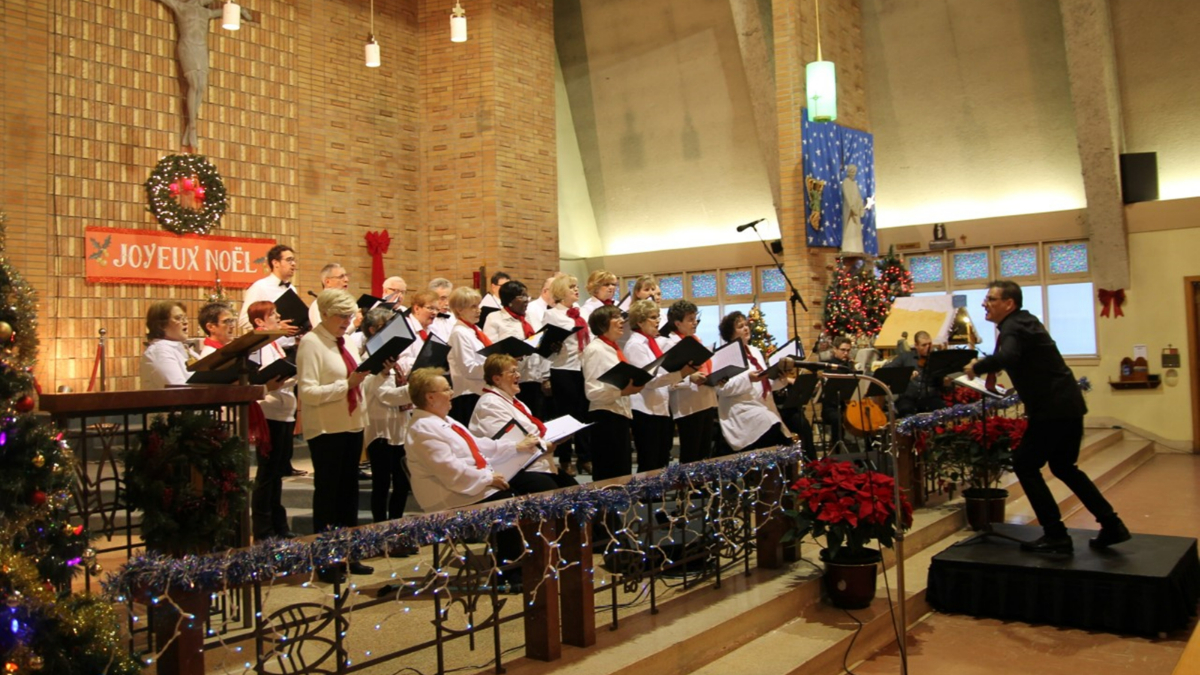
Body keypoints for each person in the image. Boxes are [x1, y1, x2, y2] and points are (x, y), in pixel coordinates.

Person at [965, 280, 1130, 554]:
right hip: (1067, 406)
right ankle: (1112, 524)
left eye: (991, 299)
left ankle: (1055, 534)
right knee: (1064, 467)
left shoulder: (1013, 326)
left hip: (1052, 410)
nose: (985, 303)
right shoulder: (1025, 322)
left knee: (1026, 465)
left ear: (1009, 303)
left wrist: (977, 367)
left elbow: (1009, 356)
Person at [405, 367, 542, 592]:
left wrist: (513, 446)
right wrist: (487, 478)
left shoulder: (443, 419)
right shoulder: (422, 428)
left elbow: (477, 444)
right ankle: (509, 573)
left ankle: (520, 564)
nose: (451, 393)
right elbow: (449, 470)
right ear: (430, 397)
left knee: (518, 493)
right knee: (509, 504)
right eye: (446, 389)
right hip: (447, 494)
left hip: (468, 483)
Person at [296, 289, 375, 583]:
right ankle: (327, 561)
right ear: (325, 314)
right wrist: (347, 384)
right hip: (327, 428)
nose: (347, 321)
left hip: (352, 423)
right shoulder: (311, 343)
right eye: (341, 316)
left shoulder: (344, 343)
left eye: (350, 315)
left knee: (348, 494)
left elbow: (355, 380)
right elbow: (308, 393)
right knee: (329, 496)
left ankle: (349, 554)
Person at [154, 0, 254, 149]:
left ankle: (191, 126)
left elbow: (223, 11)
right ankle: (192, 125)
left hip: (201, 48)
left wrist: (241, 10)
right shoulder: (181, 7)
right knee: (194, 83)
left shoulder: (206, 12)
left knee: (202, 85)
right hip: (188, 45)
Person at [470, 354, 573, 490]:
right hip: (510, 469)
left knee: (573, 487)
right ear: (497, 378)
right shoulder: (490, 403)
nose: (518, 375)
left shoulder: (515, 402)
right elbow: (510, 442)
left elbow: (531, 433)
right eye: (512, 372)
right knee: (551, 490)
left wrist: (556, 437)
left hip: (532, 463)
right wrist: (545, 445)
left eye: (517, 371)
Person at [358, 308, 414, 528]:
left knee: (401, 483)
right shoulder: (368, 358)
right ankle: (380, 530)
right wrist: (416, 390)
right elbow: (386, 396)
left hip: (399, 427)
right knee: (381, 483)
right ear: (373, 330)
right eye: (386, 326)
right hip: (380, 429)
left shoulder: (393, 360)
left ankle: (397, 527)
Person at [246, 300, 297, 539]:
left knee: (277, 473)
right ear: (259, 321)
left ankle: (279, 525)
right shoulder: (256, 345)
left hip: (284, 412)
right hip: (269, 413)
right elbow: (254, 379)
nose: (278, 317)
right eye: (273, 314)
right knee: (267, 474)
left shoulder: (273, 342)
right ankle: (263, 529)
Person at [625, 300, 692, 472]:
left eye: (658, 317)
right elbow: (649, 380)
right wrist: (680, 374)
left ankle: (657, 495)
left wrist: (680, 379)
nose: (657, 322)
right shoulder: (635, 345)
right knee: (649, 459)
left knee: (662, 456)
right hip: (645, 409)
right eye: (653, 318)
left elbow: (661, 374)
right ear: (640, 321)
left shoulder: (651, 343)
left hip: (660, 406)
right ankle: (647, 497)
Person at [714, 311, 793, 452]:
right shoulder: (725, 355)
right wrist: (748, 378)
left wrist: (781, 378)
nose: (746, 328)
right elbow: (722, 389)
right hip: (740, 410)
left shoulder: (755, 352)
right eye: (740, 326)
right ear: (730, 333)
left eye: (746, 325)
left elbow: (764, 384)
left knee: (782, 437)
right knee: (771, 425)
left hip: (760, 406)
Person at [582, 305, 646, 480]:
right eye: (615, 317)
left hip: (618, 413)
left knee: (622, 470)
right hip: (605, 416)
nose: (621, 321)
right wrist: (623, 392)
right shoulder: (596, 349)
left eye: (621, 317)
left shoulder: (612, 347)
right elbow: (592, 392)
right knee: (609, 472)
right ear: (602, 324)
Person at [544, 274, 591, 475]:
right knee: (566, 414)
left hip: (582, 368)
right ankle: (565, 459)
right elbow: (547, 345)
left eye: (576, 286)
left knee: (583, 412)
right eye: (571, 287)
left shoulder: (581, 314)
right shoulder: (553, 314)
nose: (576, 290)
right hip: (563, 368)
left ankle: (584, 457)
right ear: (561, 291)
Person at [483, 280, 548, 419]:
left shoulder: (530, 317)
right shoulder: (495, 318)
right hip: (511, 379)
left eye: (527, 297)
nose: (526, 301)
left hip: (533, 377)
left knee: (537, 418)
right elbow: (492, 350)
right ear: (510, 300)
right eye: (522, 297)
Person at [662, 301, 717, 464]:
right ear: (677, 323)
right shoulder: (669, 344)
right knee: (691, 453)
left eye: (696, 319)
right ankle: (688, 487)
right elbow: (666, 377)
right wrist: (689, 378)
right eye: (690, 319)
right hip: (688, 404)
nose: (695, 323)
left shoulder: (696, 339)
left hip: (705, 399)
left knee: (704, 452)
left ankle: (701, 485)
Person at [446, 286, 490, 424]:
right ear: (460, 310)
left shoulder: (474, 329)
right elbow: (468, 368)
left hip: (480, 391)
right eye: (473, 307)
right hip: (468, 394)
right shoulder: (459, 333)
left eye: (479, 306)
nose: (479, 310)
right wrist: (494, 366)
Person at [239, 244, 300, 335]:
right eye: (289, 260)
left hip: (291, 345)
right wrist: (274, 327)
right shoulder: (260, 286)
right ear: (275, 263)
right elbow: (243, 320)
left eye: (293, 260)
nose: (293, 264)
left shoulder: (292, 288)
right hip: (270, 345)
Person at [882, 330, 945, 417]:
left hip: (930, 399)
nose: (928, 347)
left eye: (930, 344)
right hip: (908, 399)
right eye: (924, 345)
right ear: (916, 345)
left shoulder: (936, 359)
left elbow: (941, 384)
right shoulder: (906, 357)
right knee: (905, 411)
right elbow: (886, 370)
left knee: (943, 413)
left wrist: (946, 381)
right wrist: (905, 374)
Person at [140, 301, 197, 389]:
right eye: (178, 318)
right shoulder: (160, 351)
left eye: (185, 318)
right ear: (161, 325)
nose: (185, 322)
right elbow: (178, 390)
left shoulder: (184, 348)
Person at [820, 335, 856, 449]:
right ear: (835, 349)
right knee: (837, 418)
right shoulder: (829, 367)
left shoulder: (849, 366)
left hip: (848, 406)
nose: (846, 353)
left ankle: (865, 452)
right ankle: (836, 448)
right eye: (843, 350)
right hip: (831, 408)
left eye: (848, 350)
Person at [308, 263, 354, 332]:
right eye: (341, 277)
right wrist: (354, 325)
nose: (346, 280)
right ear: (328, 282)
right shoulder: (319, 305)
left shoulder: (344, 303)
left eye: (346, 276)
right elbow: (323, 333)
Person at [841, 164, 865, 254]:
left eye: (854, 172)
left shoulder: (854, 184)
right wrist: (852, 208)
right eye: (851, 172)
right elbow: (847, 196)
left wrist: (861, 208)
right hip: (850, 211)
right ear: (848, 172)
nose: (853, 173)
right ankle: (848, 247)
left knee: (856, 231)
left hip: (856, 211)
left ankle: (857, 248)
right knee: (850, 229)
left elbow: (858, 197)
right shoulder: (846, 182)